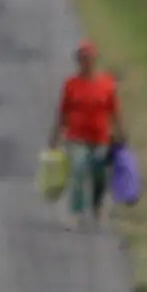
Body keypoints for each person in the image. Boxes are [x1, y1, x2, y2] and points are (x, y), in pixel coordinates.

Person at [56, 41, 121, 223]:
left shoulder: (106, 84)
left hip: (100, 137)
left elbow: (114, 110)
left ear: (94, 60)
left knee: (99, 172)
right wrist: (56, 134)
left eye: (89, 59)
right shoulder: (71, 84)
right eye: (82, 59)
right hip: (77, 137)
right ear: (78, 62)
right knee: (78, 168)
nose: (86, 62)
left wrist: (121, 133)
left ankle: (96, 205)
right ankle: (77, 210)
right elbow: (63, 111)